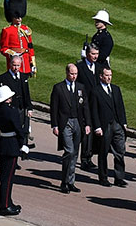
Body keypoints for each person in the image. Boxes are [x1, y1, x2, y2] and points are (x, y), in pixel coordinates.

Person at [50, 63, 90, 193]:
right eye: (72, 74)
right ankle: (64, 182)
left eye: (76, 74)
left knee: (75, 153)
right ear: (67, 73)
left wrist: (88, 124)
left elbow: (85, 107)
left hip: (78, 123)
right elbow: (54, 108)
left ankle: (71, 181)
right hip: (65, 123)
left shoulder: (80, 87)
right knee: (69, 151)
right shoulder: (58, 88)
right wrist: (55, 125)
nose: (74, 76)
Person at [90, 67, 127, 187]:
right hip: (104, 125)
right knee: (103, 152)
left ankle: (119, 177)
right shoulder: (95, 91)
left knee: (120, 151)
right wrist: (97, 127)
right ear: (101, 76)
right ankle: (103, 177)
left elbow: (120, 107)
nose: (109, 77)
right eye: (106, 75)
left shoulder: (116, 89)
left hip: (117, 124)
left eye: (110, 75)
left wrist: (124, 123)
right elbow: (94, 111)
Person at [0, 85, 27, 215]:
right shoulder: (11, 111)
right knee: (8, 178)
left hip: (3, 143)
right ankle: (5, 205)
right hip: (11, 145)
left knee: (4, 177)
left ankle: (7, 201)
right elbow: (18, 129)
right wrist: (22, 143)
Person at [75, 44, 102, 171]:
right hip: (84, 105)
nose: (95, 56)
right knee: (86, 132)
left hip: (96, 104)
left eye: (97, 54)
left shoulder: (99, 67)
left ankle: (89, 156)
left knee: (94, 132)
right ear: (87, 54)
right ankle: (84, 159)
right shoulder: (79, 67)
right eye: (93, 54)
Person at [0, 0, 35, 75]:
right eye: (17, 17)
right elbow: (3, 48)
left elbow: (30, 47)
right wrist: (13, 54)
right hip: (14, 63)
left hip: (25, 63)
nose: (19, 19)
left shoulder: (26, 29)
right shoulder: (7, 31)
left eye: (20, 17)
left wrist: (32, 63)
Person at [0, 55, 32, 141]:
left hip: (22, 108)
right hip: (11, 109)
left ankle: (24, 148)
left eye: (18, 65)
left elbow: (26, 94)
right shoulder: (3, 78)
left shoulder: (23, 77)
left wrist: (29, 108)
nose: (16, 68)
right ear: (10, 64)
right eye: (14, 65)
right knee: (12, 129)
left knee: (24, 130)